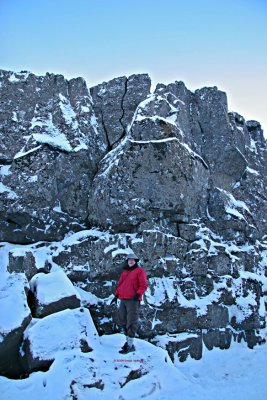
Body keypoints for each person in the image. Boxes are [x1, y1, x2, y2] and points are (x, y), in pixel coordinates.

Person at [111, 252, 148, 354]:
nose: (131, 261)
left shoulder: (140, 271)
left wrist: (138, 294)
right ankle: (128, 342)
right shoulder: (125, 272)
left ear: (135, 261)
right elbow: (121, 285)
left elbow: (144, 284)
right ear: (127, 261)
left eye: (133, 260)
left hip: (133, 300)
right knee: (122, 320)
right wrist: (116, 295)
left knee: (132, 321)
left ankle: (130, 345)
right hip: (123, 299)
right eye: (129, 260)